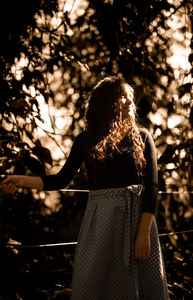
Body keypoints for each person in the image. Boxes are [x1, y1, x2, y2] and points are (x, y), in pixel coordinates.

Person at [0, 76, 169, 299]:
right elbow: (60, 180)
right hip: (101, 224)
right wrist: (21, 180)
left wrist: (143, 233)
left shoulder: (143, 137)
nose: (130, 101)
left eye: (131, 97)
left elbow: (152, 187)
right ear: (107, 102)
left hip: (138, 222)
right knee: (92, 282)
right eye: (123, 96)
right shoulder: (85, 140)